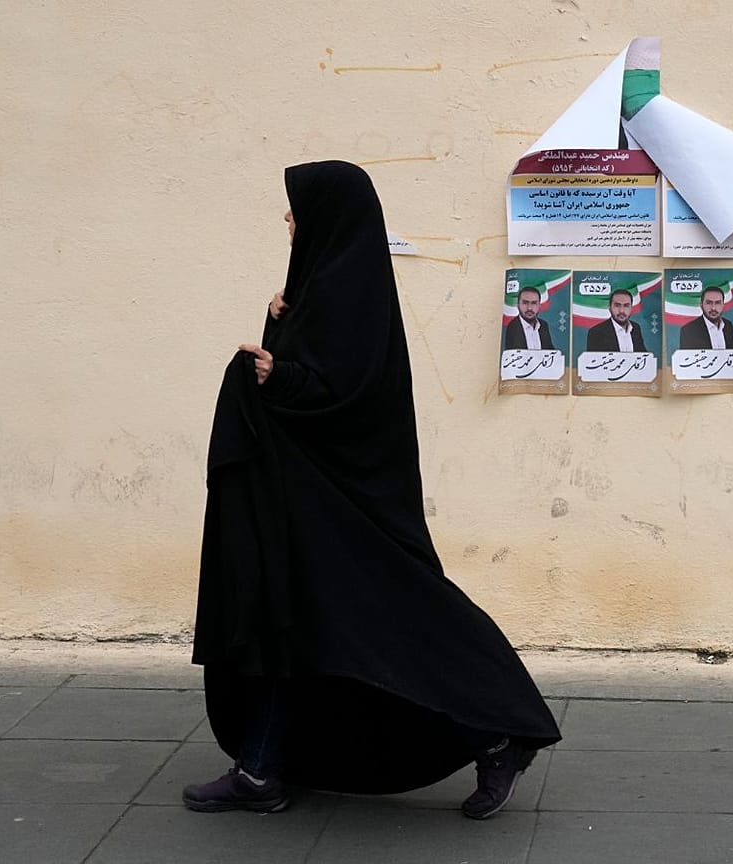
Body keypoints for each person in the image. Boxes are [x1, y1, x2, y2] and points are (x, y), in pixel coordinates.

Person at [186, 160, 560, 820]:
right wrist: (279, 329)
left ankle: (498, 733)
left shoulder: (346, 290)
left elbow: (347, 394)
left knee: (391, 625)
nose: (288, 218)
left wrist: (283, 373)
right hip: (308, 498)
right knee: (293, 621)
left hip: (349, 502)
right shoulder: (320, 286)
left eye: (296, 207)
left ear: (330, 214)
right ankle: (260, 770)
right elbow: (308, 377)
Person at [502, 286, 555, 351]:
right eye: (525, 303)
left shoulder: (543, 326)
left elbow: (550, 353)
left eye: (534, 303)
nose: (529, 308)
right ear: (518, 305)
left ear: (539, 306)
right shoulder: (512, 327)